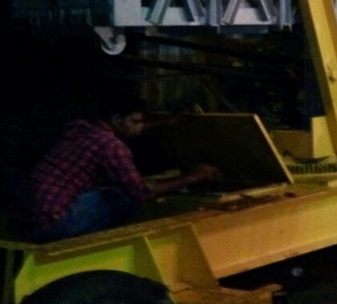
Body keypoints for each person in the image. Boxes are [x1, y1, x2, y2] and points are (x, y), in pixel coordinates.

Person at [21, 98, 220, 241]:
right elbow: (140, 192)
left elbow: (131, 127)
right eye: (135, 122)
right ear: (117, 119)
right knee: (126, 199)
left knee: (106, 191)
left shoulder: (79, 128)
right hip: (53, 224)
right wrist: (194, 176)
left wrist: (166, 122)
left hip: (28, 217)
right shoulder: (112, 146)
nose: (139, 127)